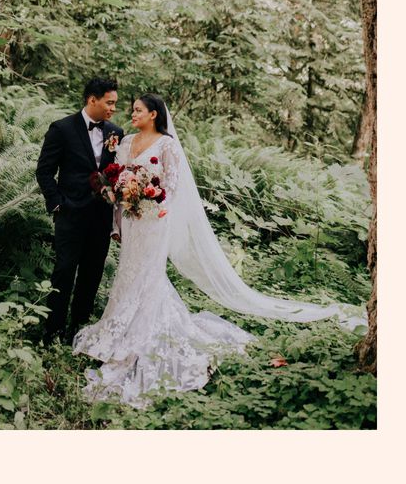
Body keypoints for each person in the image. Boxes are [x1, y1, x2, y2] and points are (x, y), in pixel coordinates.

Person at [71, 93, 368, 408]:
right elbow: (117, 178)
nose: (132, 114)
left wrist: (152, 199)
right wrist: (119, 206)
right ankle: (119, 325)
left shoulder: (167, 145)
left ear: (154, 114)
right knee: (128, 273)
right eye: (132, 110)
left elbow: (171, 186)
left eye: (138, 110)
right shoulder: (128, 141)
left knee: (148, 274)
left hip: (154, 221)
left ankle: (144, 335)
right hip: (131, 220)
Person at [35, 77, 124, 345]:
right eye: (109, 103)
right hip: (70, 213)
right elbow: (44, 170)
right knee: (63, 270)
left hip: (100, 217)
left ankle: (79, 330)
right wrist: (57, 203)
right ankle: (52, 332)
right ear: (92, 99)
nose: (113, 108)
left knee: (92, 272)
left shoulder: (116, 133)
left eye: (115, 103)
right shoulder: (62, 128)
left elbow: (118, 172)